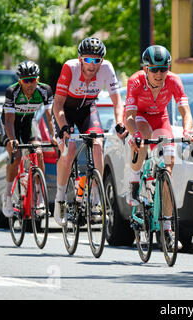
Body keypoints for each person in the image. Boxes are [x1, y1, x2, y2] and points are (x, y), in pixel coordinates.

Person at [124, 45, 193, 249]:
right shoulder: (135, 81)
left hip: (161, 120)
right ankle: (135, 179)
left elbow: (185, 112)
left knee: (168, 170)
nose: (158, 74)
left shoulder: (173, 80)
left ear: (168, 68)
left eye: (163, 69)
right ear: (145, 69)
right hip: (139, 118)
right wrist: (135, 134)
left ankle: (167, 229)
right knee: (144, 137)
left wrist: (188, 131)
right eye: (154, 69)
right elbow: (129, 116)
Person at [52, 37, 126, 226]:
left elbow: (118, 102)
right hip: (65, 112)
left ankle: (95, 197)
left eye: (97, 60)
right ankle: (60, 197)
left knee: (98, 143)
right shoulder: (70, 68)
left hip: (87, 110)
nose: (92, 65)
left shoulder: (107, 68)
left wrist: (120, 123)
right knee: (67, 151)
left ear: (102, 60)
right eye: (88, 59)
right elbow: (58, 103)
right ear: (80, 59)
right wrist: (63, 127)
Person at [1, 60, 55, 217]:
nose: (30, 84)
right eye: (26, 80)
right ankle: (8, 196)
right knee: (16, 156)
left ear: (37, 79)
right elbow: (9, 121)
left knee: (38, 153)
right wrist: (12, 141)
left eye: (33, 79)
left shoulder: (45, 90)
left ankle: (39, 196)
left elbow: (50, 117)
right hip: (10, 124)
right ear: (20, 81)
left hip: (29, 123)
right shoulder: (12, 92)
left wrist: (54, 136)